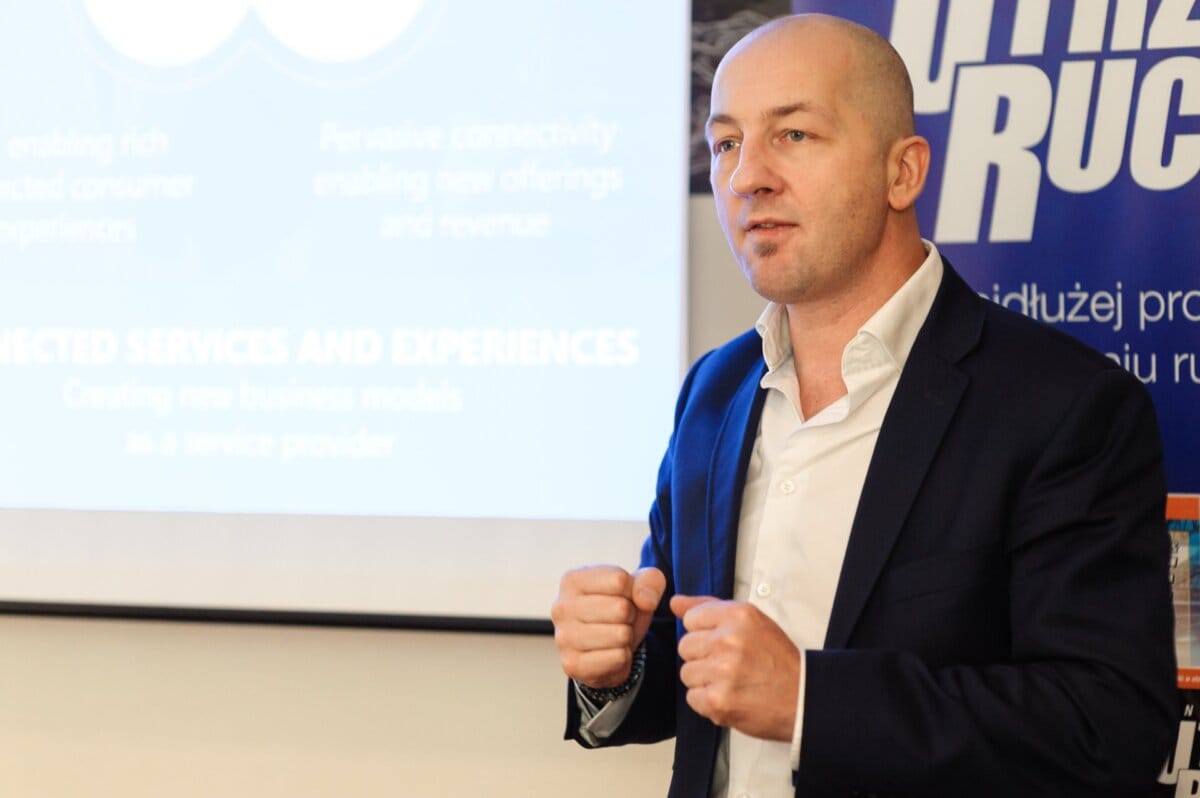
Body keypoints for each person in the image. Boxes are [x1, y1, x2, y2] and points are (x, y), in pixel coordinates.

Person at [550, 12, 1176, 798]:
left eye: (795, 135)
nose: (748, 177)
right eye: (727, 143)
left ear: (903, 172)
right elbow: (700, 674)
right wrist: (617, 661)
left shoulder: (1066, 408)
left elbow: (1107, 727)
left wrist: (812, 700)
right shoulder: (713, 389)